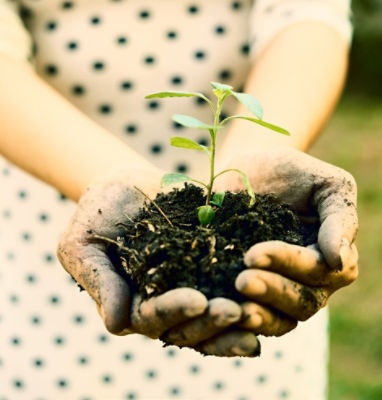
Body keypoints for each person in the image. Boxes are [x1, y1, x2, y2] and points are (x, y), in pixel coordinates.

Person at [0, 0, 358, 399]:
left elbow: (306, 16)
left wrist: (249, 174)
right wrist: (121, 190)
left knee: (251, 312)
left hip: (258, 300)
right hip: (52, 236)